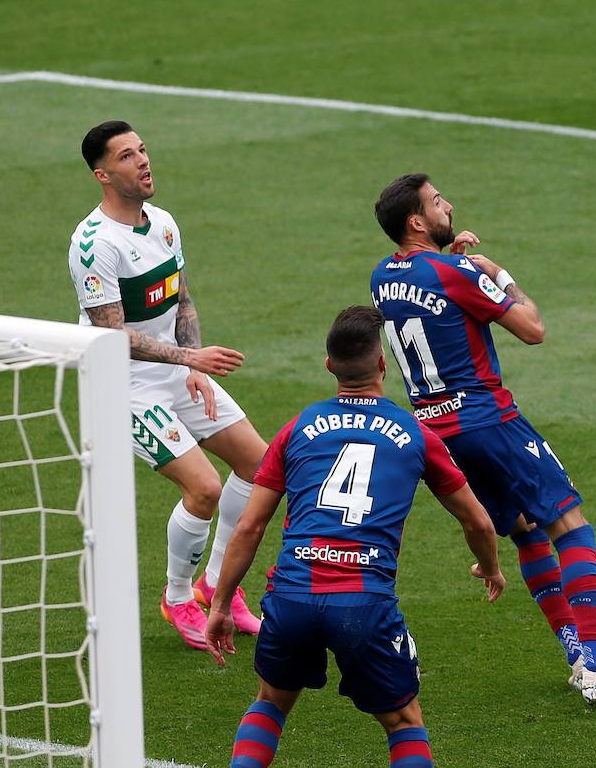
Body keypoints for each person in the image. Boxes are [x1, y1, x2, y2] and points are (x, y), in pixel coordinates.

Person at [370, 174, 596, 706]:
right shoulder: (456, 271)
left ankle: (577, 656)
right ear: (417, 221)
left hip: (436, 433)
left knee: (528, 532)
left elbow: (433, 298)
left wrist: (457, 269)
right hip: (488, 420)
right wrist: (497, 274)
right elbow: (532, 328)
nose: (449, 205)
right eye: (438, 202)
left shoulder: (381, 277)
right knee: (569, 524)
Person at [205, 306, 503, 768]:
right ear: (383, 365)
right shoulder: (415, 433)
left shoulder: (298, 427)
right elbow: (478, 522)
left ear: (329, 367)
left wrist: (221, 604)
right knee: (404, 722)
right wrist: (490, 566)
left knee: (269, 703)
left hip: (292, 596)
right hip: (363, 602)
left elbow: (249, 525)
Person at [68, 120, 267, 648]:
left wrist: (194, 367)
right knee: (202, 488)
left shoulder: (163, 224)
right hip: (124, 386)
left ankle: (219, 588)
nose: (144, 161)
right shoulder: (93, 245)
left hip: (177, 369)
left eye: (143, 150)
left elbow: (182, 300)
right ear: (103, 174)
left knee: (260, 464)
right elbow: (112, 335)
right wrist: (189, 356)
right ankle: (177, 599)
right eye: (128, 156)